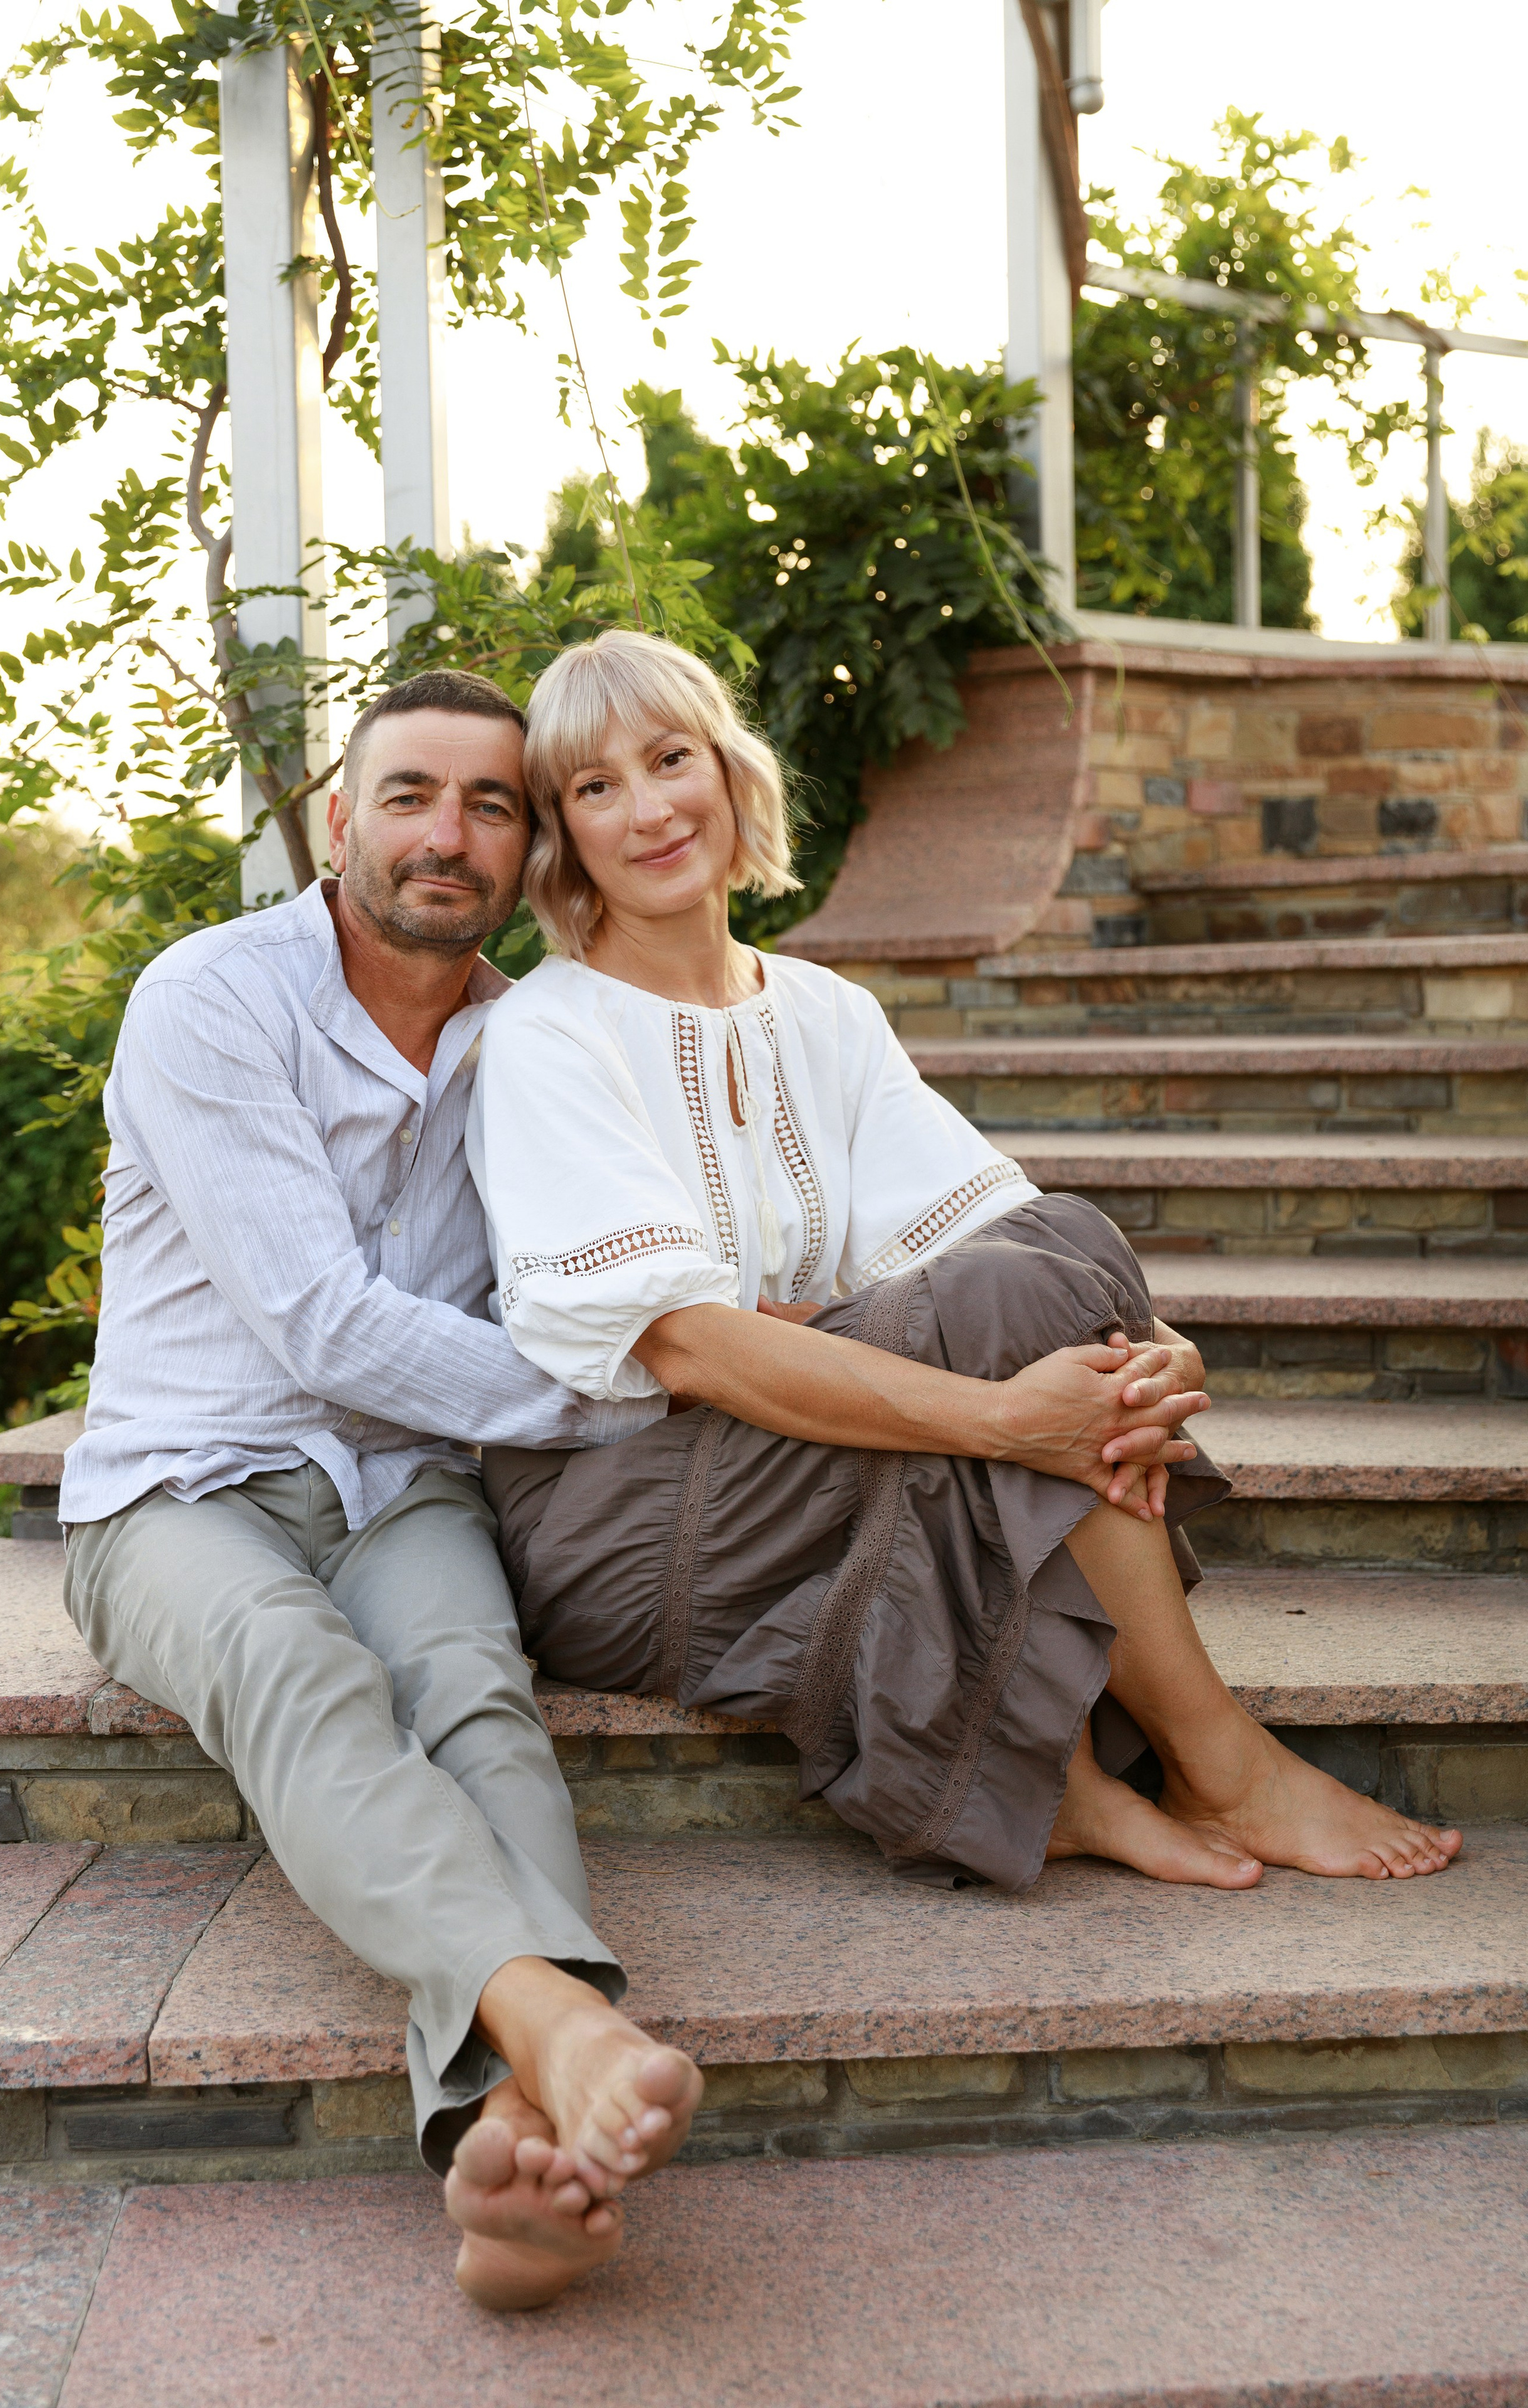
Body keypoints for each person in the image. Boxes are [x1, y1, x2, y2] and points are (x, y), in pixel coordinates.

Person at [57, 664, 1211, 2316]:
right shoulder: (215, 998)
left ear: (524, 847)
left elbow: (714, 1246)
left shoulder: (513, 1031)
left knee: (479, 1703)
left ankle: (514, 2155)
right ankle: (561, 2030)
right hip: (183, 1487)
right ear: (341, 817)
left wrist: (745, 1338)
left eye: (489, 804)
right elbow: (321, 1323)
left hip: (408, 1484)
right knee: (296, 1673)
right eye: (410, 794)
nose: (447, 834)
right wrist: (665, 1370)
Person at [472, 626, 1462, 1903]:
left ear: (726, 770)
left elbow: (1014, 1243)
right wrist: (1006, 1417)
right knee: (1006, 1326)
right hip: (617, 1527)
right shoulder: (548, 1034)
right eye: (596, 787)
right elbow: (688, 1347)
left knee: (1058, 1252)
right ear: (562, 835)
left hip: (793, 1469)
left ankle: (1061, 1779)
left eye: (670, 760)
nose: (650, 810)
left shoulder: (826, 1013)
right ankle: (1219, 1762)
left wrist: (1152, 1350)